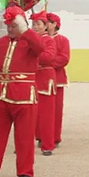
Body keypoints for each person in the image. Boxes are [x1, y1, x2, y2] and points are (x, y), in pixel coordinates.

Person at [0, 6, 43, 177]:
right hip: (2, 93)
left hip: (24, 94)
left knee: (24, 136)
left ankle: (25, 170)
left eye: (14, 25)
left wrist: (25, 30)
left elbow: (40, 47)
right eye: (8, 25)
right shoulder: (1, 42)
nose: (10, 28)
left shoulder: (30, 41)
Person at [30, 11, 57, 156]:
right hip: (32, 78)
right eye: (33, 24)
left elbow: (48, 57)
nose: (34, 27)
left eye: (38, 24)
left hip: (45, 78)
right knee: (29, 115)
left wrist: (32, 54)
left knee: (46, 115)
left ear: (45, 27)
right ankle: (26, 143)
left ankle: (47, 145)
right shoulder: (28, 39)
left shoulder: (49, 40)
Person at [47, 13, 70, 147]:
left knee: (55, 110)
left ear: (54, 24)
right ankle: (40, 135)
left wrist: (47, 64)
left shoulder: (63, 40)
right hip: (40, 78)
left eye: (47, 22)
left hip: (57, 78)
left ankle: (54, 137)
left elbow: (64, 58)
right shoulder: (40, 39)